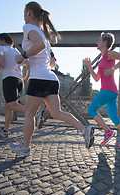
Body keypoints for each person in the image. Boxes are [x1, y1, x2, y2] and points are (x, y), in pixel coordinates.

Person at [10, 1, 94, 157]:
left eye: (24, 13)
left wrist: (22, 56)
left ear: (28, 12)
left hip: (39, 79)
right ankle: (84, 129)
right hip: (51, 78)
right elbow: (50, 61)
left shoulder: (29, 28)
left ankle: (25, 148)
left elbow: (39, 46)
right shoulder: (44, 34)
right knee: (56, 113)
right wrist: (28, 60)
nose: (23, 17)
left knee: (29, 115)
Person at [84, 32, 120, 148]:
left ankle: (108, 132)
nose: (97, 42)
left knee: (91, 110)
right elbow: (97, 78)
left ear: (105, 43)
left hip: (108, 90)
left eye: (99, 40)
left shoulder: (109, 53)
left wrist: (112, 69)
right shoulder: (103, 58)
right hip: (110, 91)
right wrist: (89, 66)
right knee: (113, 117)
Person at [0, 33, 30, 138]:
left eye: (0, 41)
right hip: (19, 81)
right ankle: (5, 130)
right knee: (8, 106)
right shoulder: (16, 51)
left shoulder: (1, 48)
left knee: (12, 105)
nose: (0, 43)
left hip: (9, 79)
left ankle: (35, 114)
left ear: (3, 41)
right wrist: (26, 78)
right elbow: (28, 65)